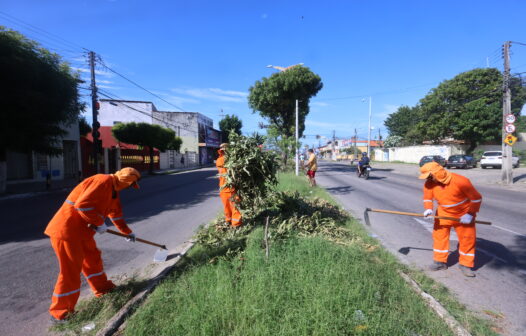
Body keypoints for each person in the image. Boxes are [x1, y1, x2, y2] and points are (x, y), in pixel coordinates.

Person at [44, 167, 141, 323]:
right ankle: (60, 312)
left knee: (93, 260)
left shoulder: (114, 191)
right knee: (71, 271)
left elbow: (116, 214)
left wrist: (126, 232)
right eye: (130, 185)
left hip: (83, 233)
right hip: (67, 231)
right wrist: (98, 222)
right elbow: (82, 205)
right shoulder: (102, 181)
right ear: (127, 181)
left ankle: (103, 289)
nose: (129, 188)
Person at [419, 162, 482, 277]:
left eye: (430, 176)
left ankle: (465, 265)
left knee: (467, 239)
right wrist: (428, 209)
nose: (428, 179)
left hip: (463, 215)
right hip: (443, 213)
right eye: (427, 177)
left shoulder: (461, 181)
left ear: (438, 173)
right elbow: (427, 198)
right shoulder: (429, 183)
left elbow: (476, 198)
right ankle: (440, 262)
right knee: (439, 237)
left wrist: (470, 214)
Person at [216, 143, 242, 227]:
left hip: (224, 188)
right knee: (234, 207)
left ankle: (229, 221)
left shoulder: (219, 160)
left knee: (227, 207)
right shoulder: (228, 160)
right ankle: (235, 224)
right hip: (230, 188)